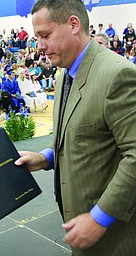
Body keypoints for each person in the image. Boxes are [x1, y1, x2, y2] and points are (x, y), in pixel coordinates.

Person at [15, 0, 136, 255]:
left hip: (114, 236)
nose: (40, 47)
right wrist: (46, 157)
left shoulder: (117, 76)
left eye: (45, 35)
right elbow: (78, 132)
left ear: (73, 24)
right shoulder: (65, 76)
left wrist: (99, 218)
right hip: (81, 228)